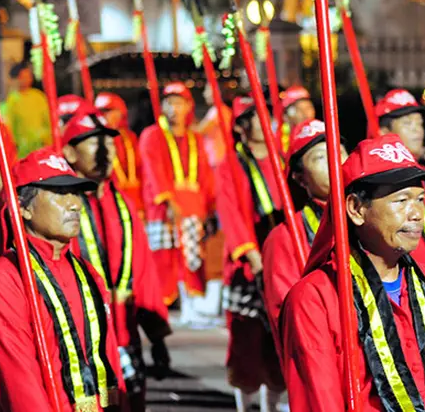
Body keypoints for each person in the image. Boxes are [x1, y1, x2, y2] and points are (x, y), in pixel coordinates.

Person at [280, 133, 425, 411]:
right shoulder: (315, 299)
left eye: (420, 199)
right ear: (357, 209)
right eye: (401, 200)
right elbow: (320, 401)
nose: (417, 213)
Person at [0, 148, 126, 411]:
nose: (75, 203)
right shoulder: (2, 284)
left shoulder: (87, 274)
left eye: (75, 192)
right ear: (23, 208)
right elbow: (19, 389)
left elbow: (109, 365)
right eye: (60, 193)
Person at [61, 106, 171, 411]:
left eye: (109, 143)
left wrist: (157, 335)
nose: (106, 151)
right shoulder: (59, 208)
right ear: (69, 152)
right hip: (81, 340)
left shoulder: (120, 202)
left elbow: (143, 271)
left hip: (124, 333)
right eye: (95, 142)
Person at [215, 96, 284, 411]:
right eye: (258, 116)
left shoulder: (282, 159)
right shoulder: (231, 163)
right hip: (247, 266)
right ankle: (246, 406)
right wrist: (252, 255)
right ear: (242, 127)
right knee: (246, 340)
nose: (266, 119)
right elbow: (230, 213)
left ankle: (272, 405)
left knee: (278, 342)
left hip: (280, 262)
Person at [261, 118, 348, 354]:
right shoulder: (285, 238)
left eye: (339, 151)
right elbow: (289, 318)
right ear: (300, 178)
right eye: (321, 157)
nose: (335, 161)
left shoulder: (370, 219)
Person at [138, 82, 218, 325]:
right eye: (169, 102)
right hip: (164, 209)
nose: (174, 108)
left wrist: (208, 204)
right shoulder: (152, 135)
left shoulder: (195, 138)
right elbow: (154, 171)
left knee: (191, 259)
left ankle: (190, 306)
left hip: (192, 207)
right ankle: (164, 310)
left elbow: (204, 173)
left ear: (188, 106)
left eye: (179, 102)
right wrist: (169, 200)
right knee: (165, 258)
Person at [376, 89, 425, 283]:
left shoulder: (420, 170)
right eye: (407, 123)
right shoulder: (380, 179)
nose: (417, 130)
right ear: (384, 131)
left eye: (419, 123)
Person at [94, 92, 144, 216]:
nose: (105, 116)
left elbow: (141, 170)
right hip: (110, 201)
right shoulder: (94, 141)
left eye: (110, 111)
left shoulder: (129, 138)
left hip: (135, 200)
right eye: (102, 112)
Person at [0, 61, 51, 158]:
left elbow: (48, 120)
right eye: (23, 77)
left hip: (42, 146)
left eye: (28, 76)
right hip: (22, 150)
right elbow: (9, 125)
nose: (26, 79)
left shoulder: (39, 96)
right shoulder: (12, 99)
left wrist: (46, 138)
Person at [279, 86, 316, 153]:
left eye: (308, 107)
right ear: (286, 116)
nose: (305, 113)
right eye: (299, 109)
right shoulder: (280, 142)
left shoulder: (322, 134)